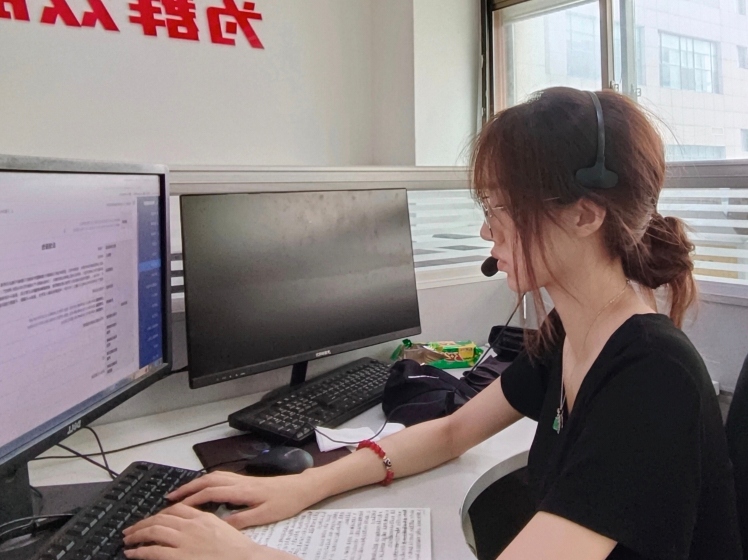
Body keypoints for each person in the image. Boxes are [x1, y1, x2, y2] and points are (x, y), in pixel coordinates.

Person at [122, 87, 742, 560]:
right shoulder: (571, 333)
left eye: (501, 207)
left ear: (584, 215)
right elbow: (451, 432)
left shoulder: (651, 376)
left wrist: (243, 556)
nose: (486, 230)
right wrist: (305, 486)